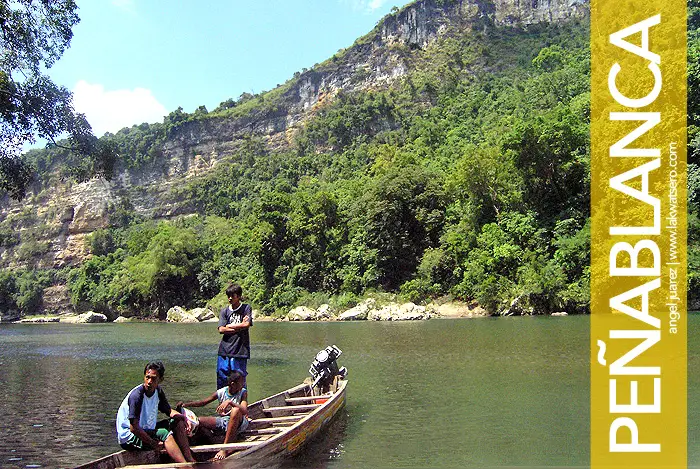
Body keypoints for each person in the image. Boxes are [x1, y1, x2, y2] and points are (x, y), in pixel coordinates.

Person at [115, 361, 195, 463]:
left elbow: (169, 411)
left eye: (153, 378)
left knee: (178, 421)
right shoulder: (137, 396)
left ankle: (190, 459)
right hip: (129, 436)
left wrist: (183, 418)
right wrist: (153, 444)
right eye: (147, 377)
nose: (149, 381)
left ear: (160, 380)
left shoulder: (158, 391)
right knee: (164, 433)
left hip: (146, 429)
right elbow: (133, 428)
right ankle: (185, 466)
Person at [177, 369, 250, 461]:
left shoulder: (243, 392)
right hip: (224, 421)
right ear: (232, 384)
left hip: (239, 423)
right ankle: (190, 448)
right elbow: (203, 402)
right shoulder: (222, 392)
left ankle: (224, 449)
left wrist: (230, 403)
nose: (242, 385)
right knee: (198, 421)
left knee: (235, 411)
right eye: (241, 382)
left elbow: (244, 410)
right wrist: (186, 405)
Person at [217, 283, 253, 389]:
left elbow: (246, 324)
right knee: (222, 377)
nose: (229, 298)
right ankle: (223, 402)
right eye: (228, 296)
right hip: (224, 350)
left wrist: (230, 326)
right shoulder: (225, 311)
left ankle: (241, 402)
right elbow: (221, 329)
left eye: (232, 296)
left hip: (240, 350)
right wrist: (240, 326)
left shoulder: (246, 308)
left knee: (239, 378)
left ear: (238, 296)